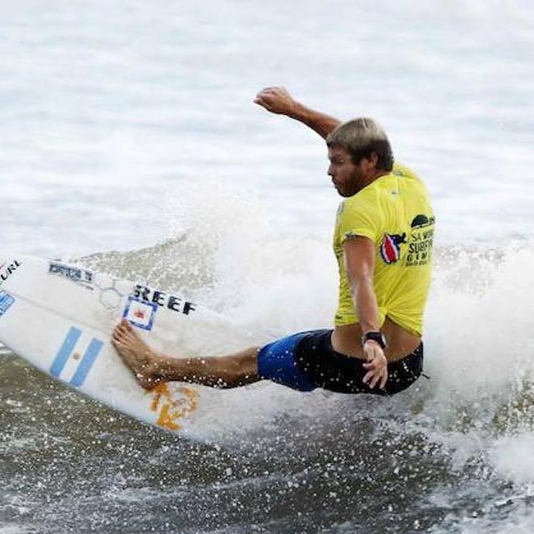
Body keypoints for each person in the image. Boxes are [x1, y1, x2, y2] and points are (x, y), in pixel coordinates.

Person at [112, 86, 434, 396]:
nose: (329, 172)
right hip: (405, 368)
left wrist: (371, 339)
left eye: (337, 162)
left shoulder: (359, 209)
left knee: (250, 362)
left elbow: (359, 277)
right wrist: (294, 110)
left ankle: (154, 369)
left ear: (368, 163)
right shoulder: (411, 184)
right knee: (318, 340)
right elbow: (354, 140)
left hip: (354, 362)